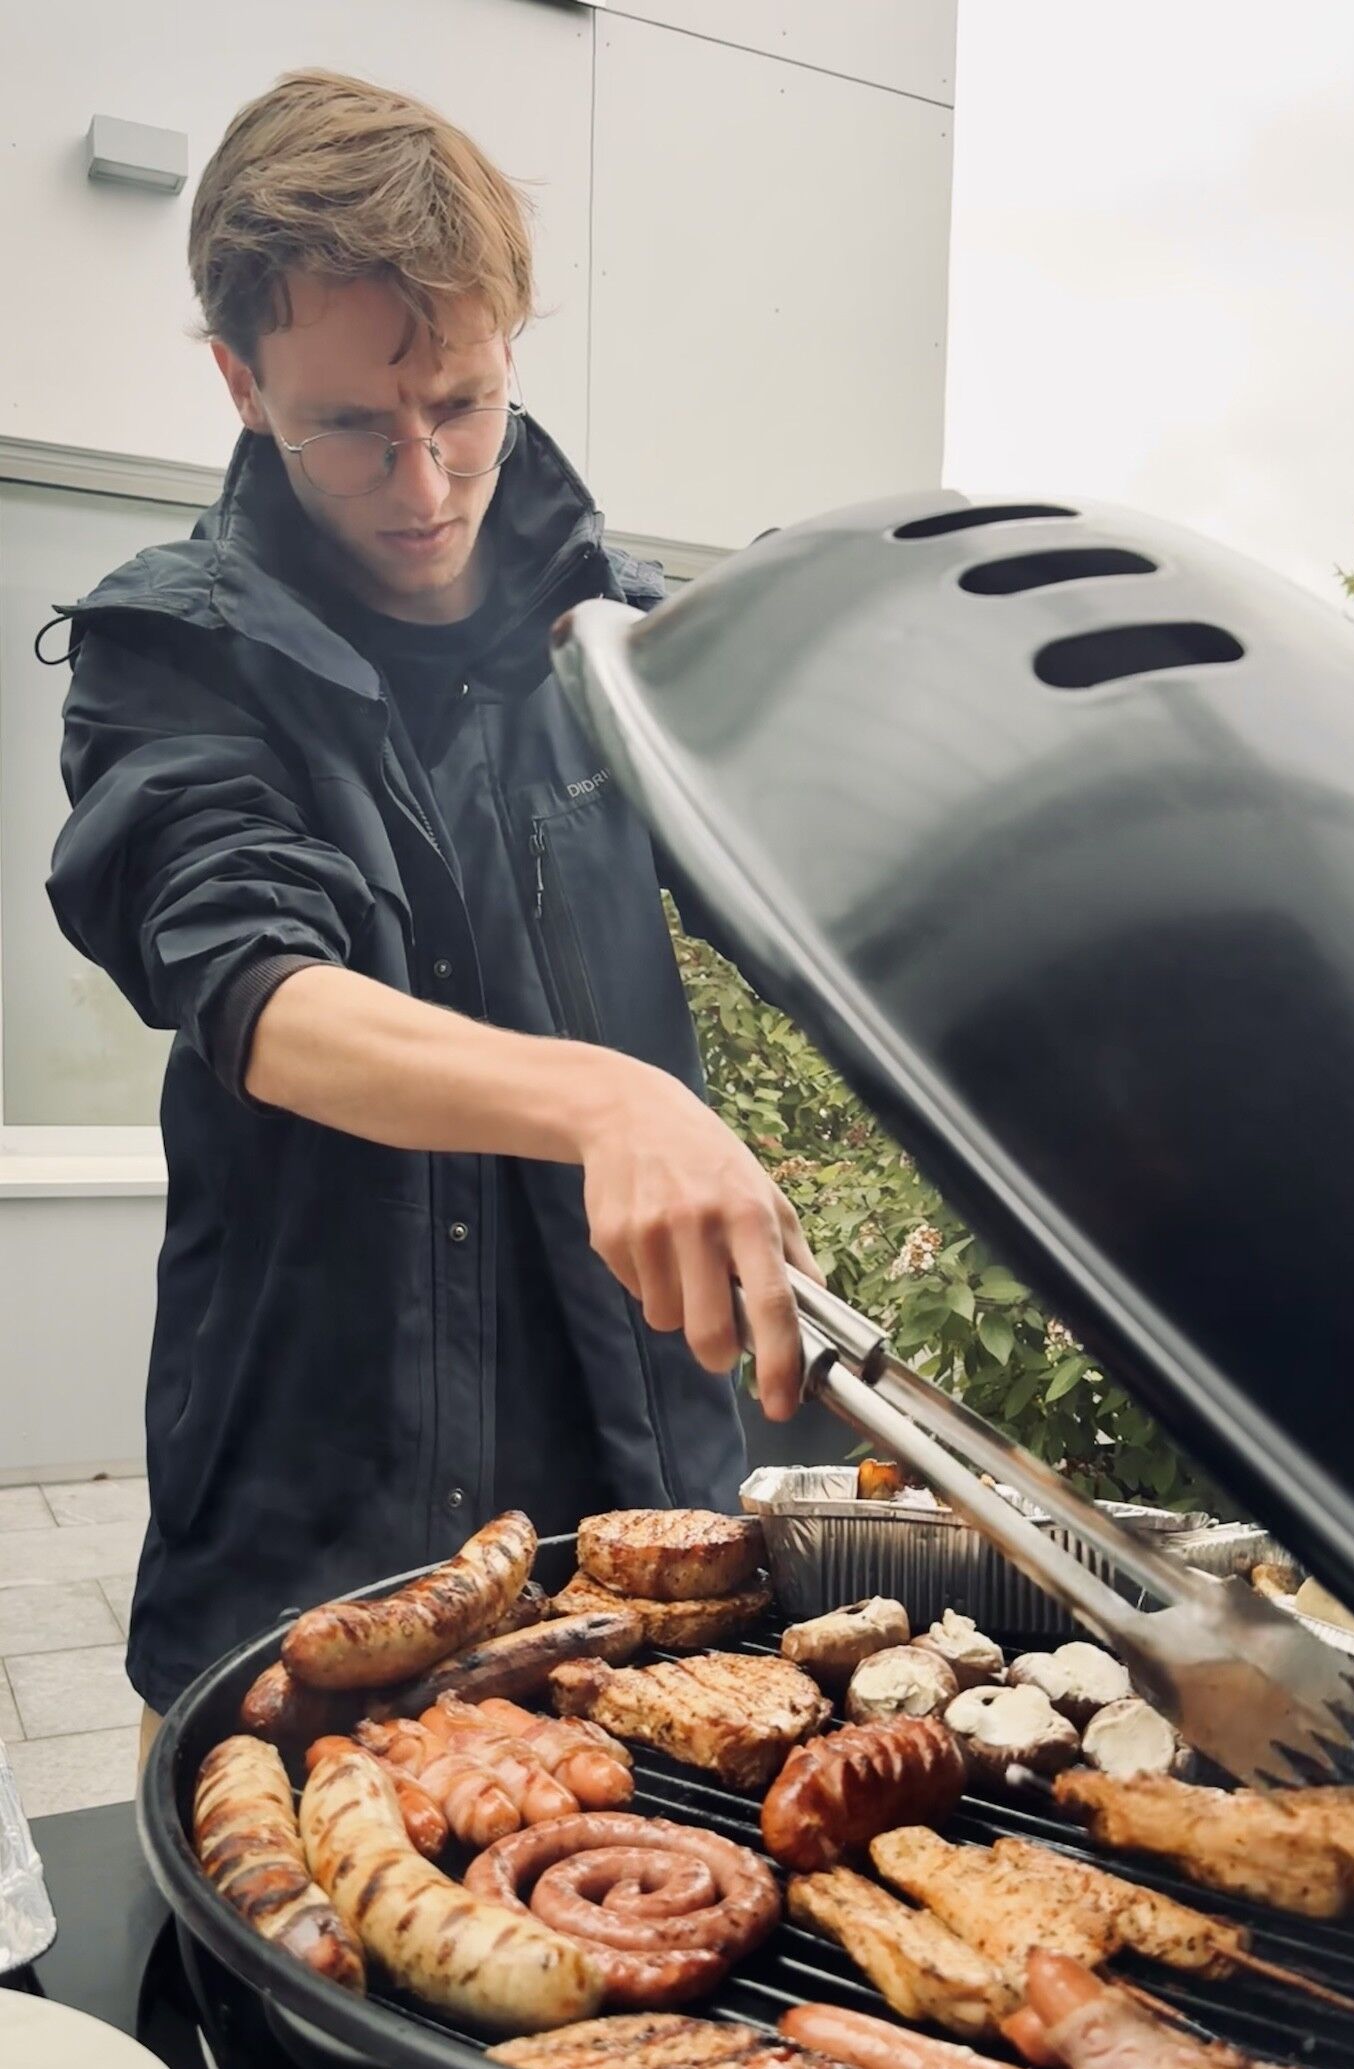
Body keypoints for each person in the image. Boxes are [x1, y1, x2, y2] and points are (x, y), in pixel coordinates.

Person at [43, 71, 813, 1749]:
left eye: (459, 403)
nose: (424, 476)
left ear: (509, 345)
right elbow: (258, 988)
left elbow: (823, 904)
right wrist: (605, 1095)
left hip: (637, 1502)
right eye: (350, 424)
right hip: (317, 1528)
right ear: (240, 381)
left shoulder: (623, 650)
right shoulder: (170, 655)